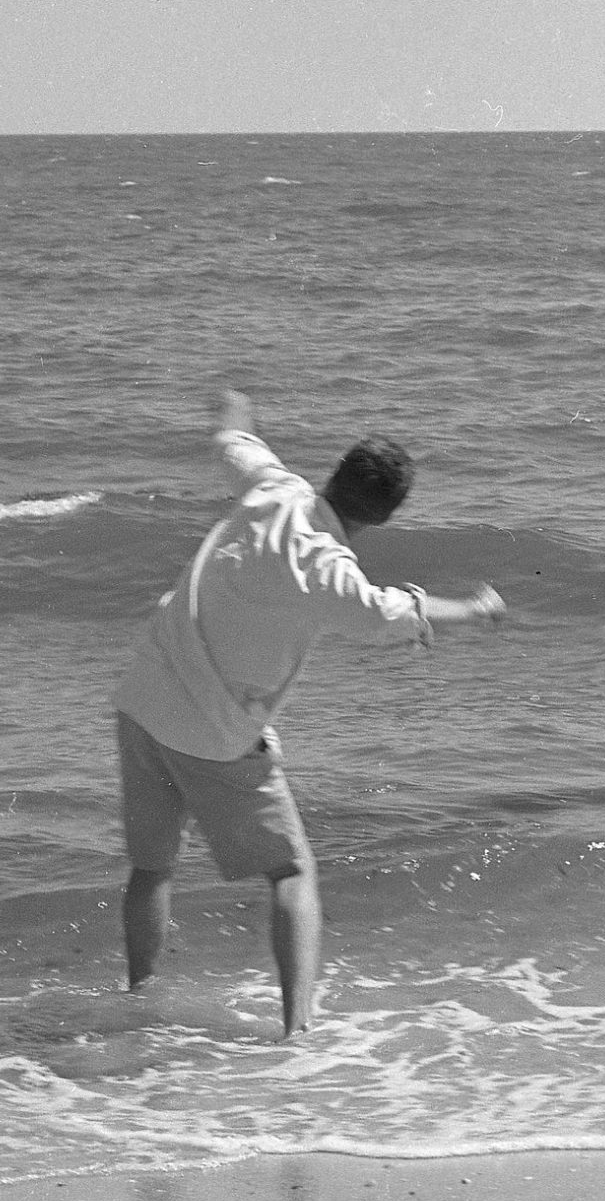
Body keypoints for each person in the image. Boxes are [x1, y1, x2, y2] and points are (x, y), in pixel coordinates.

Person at [112, 389, 505, 1034]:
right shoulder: (326, 564)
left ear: (334, 473)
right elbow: (388, 615)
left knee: (152, 867)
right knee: (292, 873)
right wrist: (476, 610)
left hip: (144, 696)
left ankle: (138, 999)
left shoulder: (273, 486)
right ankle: (296, 1035)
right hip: (212, 732)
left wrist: (235, 405)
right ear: (384, 516)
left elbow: (232, 441)